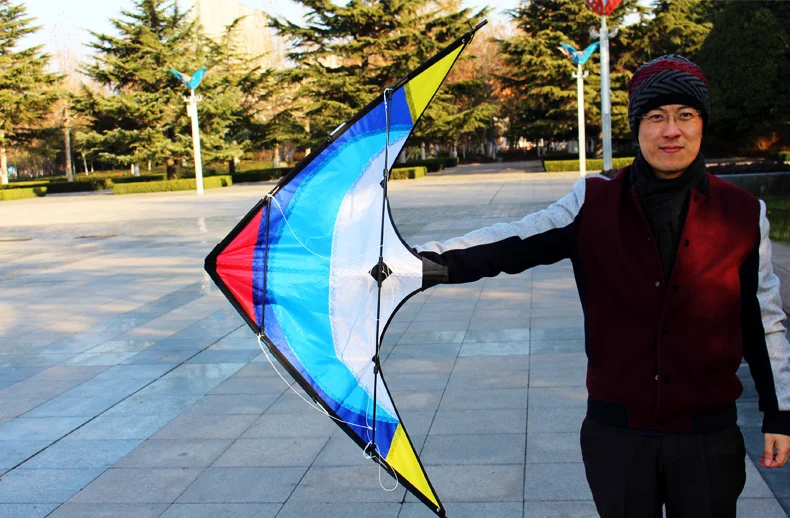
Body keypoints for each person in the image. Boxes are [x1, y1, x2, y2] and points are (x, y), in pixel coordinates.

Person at [415, 54, 790, 517]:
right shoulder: (593, 201)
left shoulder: (743, 212)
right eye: (656, 117)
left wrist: (779, 414)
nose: (671, 131)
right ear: (637, 127)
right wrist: (415, 265)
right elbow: (511, 241)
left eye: (685, 115)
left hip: (708, 438)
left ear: (702, 123)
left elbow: (763, 322)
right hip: (619, 437)